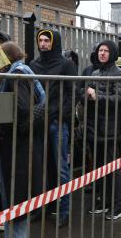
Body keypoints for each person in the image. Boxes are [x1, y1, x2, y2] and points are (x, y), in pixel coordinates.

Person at [30, 28, 77, 227]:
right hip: (39, 122)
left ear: (54, 42)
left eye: (46, 41)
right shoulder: (33, 64)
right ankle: (42, 208)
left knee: (60, 169)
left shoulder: (66, 64)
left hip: (57, 123)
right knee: (40, 166)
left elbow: (72, 92)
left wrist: (61, 115)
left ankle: (65, 211)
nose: (43, 44)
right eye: (40, 40)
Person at [0, 42, 45, 237]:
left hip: (18, 146)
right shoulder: (22, 71)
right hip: (20, 145)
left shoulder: (17, 75)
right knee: (15, 202)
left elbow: (22, 109)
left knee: (16, 200)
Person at [85, 40, 121, 220]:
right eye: (100, 50)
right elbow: (86, 93)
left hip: (111, 128)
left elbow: (119, 98)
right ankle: (103, 202)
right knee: (99, 168)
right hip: (95, 127)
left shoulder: (119, 74)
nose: (102, 53)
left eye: (106, 51)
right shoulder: (95, 72)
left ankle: (117, 207)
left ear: (113, 53)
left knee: (114, 168)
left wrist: (96, 96)